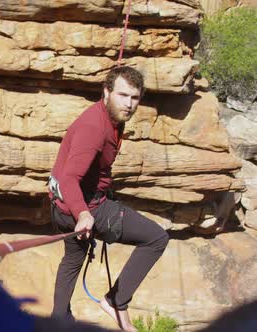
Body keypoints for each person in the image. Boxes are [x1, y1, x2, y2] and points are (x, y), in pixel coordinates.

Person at [48, 66, 169, 331]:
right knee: (156, 238)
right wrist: (83, 213)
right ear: (106, 92)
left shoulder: (111, 115)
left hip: (62, 206)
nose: (128, 104)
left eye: (134, 98)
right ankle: (116, 301)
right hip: (85, 206)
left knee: (72, 260)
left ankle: (58, 323)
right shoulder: (94, 128)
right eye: (122, 95)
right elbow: (70, 177)